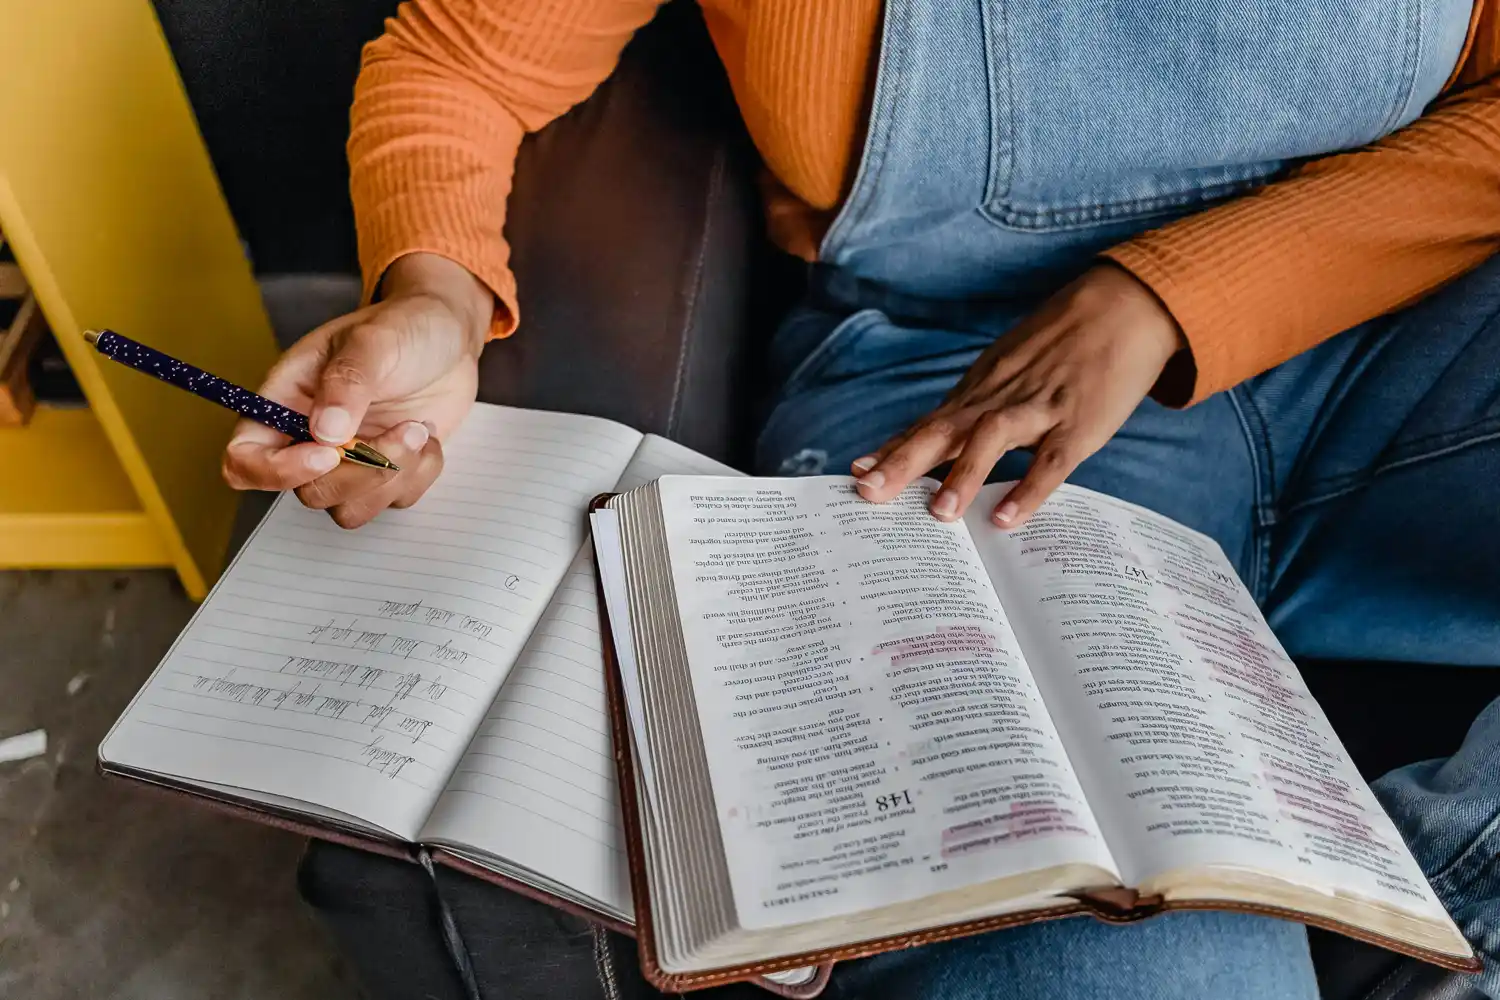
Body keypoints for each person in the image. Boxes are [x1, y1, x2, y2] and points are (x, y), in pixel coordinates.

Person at [223, 1, 1500, 997]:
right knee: (1086, 929)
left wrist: (1175, 293)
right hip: (952, 388)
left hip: (1418, 322)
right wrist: (435, 303)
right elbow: (460, 57)